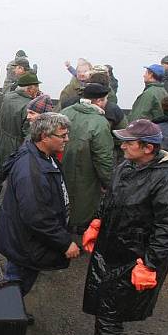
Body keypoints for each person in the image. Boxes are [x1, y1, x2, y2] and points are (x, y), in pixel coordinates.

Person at [67, 119, 168, 335]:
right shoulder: (128, 166)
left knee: (113, 308)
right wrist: (97, 221)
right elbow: (110, 197)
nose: (122, 146)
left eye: (128, 142)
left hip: (134, 258)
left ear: (148, 148)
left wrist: (150, 264)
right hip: (110, 248)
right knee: (103, 300)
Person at [0, 113, 81, 323]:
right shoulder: (31, 169)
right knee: (15, 282)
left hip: (27, 241)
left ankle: (10, 313)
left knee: (19, 281)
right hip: (25, 243)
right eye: (62, 135)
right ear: (44, 136)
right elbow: (37, 216)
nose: (67, 139)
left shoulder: (43, 156)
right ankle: (2, 322)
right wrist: (64, 242)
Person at [60, 83, 114, 233]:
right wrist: (108, 182)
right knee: (81, 205)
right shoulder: (99, 123)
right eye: (105, 99)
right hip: (86, 175)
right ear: (99, 101)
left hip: (61, 168)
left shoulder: (65, 112)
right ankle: (75, 235)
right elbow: (103, 158)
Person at [0, 72, 42, 213]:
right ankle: (12, 209)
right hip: (16, 144)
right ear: (29, 89)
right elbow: (28, 132)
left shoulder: (7, 96)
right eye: (36, 88)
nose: (37, 90)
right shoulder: (28, 106)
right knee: (16, 178)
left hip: (2, 139)